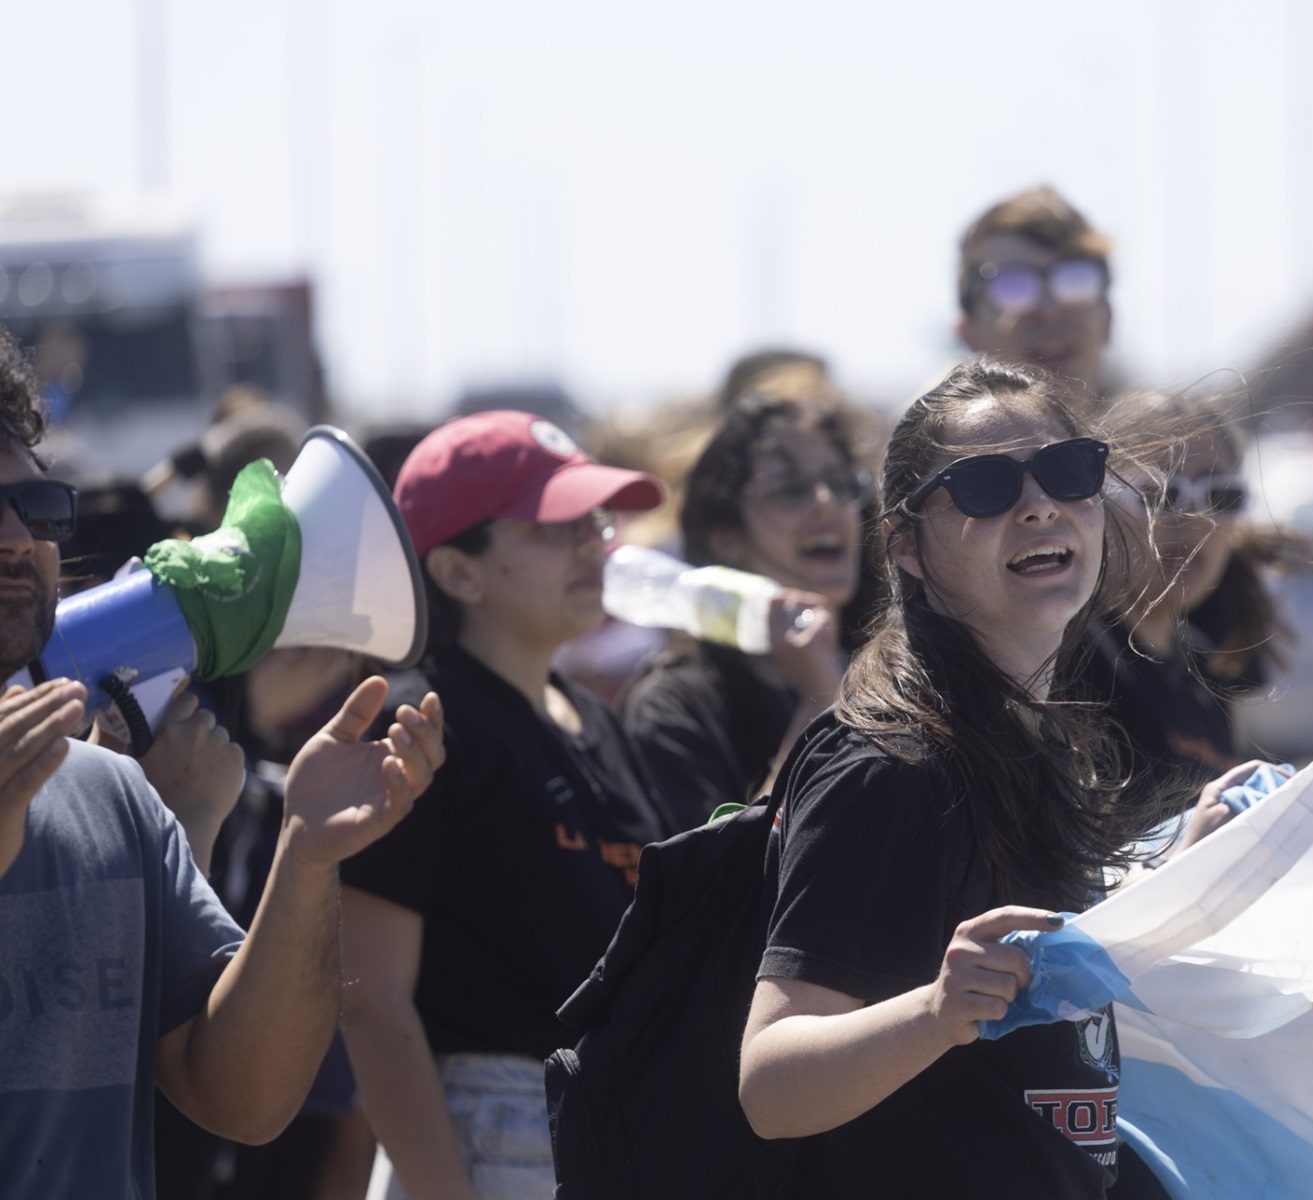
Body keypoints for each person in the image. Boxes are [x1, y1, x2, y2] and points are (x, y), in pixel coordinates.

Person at [737, 359, 1251, 1198]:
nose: (1040, 504)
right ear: (907, 546)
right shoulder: (890, 764)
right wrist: (936, 1013)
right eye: (983, 486)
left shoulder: (1050, 741)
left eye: (1067, 469)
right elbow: (771, 1083)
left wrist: (1172, 877)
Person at [0, 326, 446, 1199]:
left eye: (40, 509)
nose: (19, 539)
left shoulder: (110, 792)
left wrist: (305, 861)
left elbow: (243, 1097)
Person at [337, 410, 680, 1200]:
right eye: (554, 527)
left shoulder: (590, 714)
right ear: (458, 572)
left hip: (611, 1127)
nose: (595, 543)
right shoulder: (420, 723)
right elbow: (369, 1000)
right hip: (494, 1135)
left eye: (595, 520)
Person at [623, 393, 869, 828]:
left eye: (842, 482)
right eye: (789, 489)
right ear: (725, 538)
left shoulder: (900, 672)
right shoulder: (676, 705)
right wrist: (819, 699)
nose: (826, 503)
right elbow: (721, 883)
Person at [1082, 388, 1292, 792]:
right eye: (1159, 492)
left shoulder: (1203, 661)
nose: (1193, 516)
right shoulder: (1066, 664)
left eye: (1220, 495)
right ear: (1095, 504)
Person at [956, 186, 1115, 401]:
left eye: (1077, 282)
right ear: (969, 333)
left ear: (1107, 319)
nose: (1050, 311)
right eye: (1013, 287)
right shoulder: (920, 433)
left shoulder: (1169, 433)